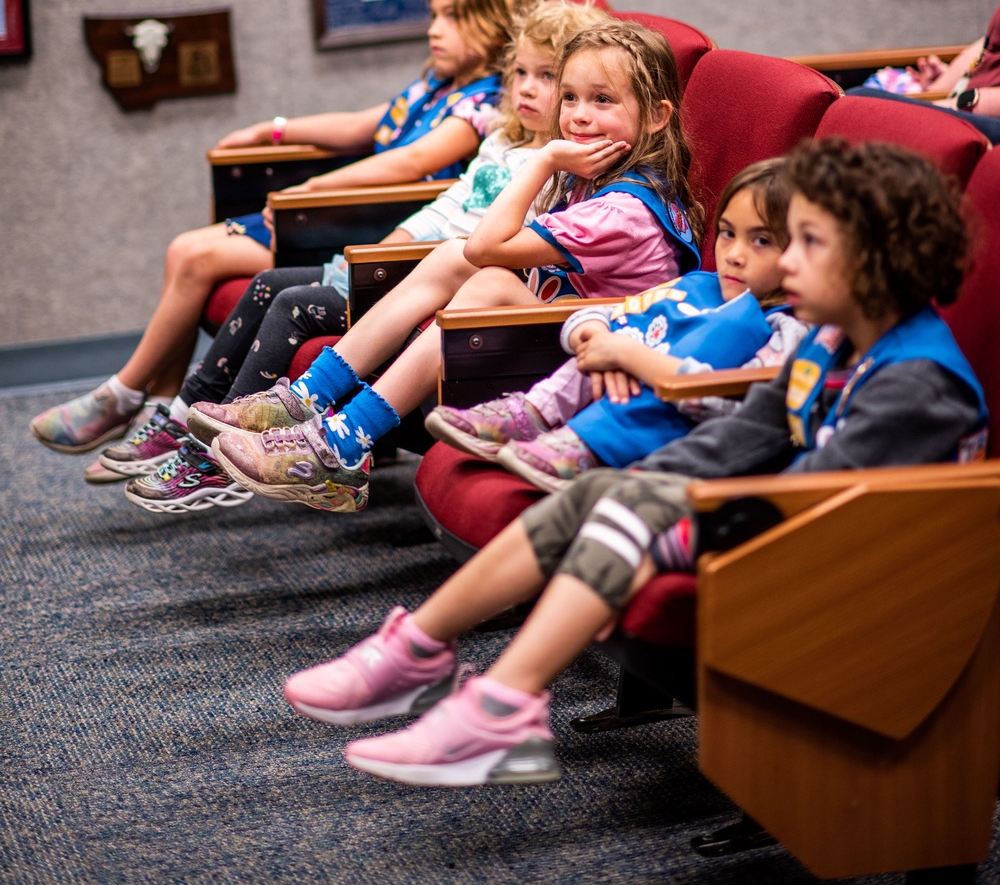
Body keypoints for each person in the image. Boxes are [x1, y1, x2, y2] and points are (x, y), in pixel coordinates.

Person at [278, 137, 986, 787]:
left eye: (808, 243)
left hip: (873, 576)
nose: (786, 262)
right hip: (794, 526)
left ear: (877, 256)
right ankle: (419, 653)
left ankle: (499, 710)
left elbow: (831, 501)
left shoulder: (916, 382)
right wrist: (657, 482)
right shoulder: (832, 338)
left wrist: (680, 515)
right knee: (616, 490)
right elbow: (745, 439)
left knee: (631, 508)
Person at [28, 0, 544, 459]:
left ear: (492, 23)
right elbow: (365, 125)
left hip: (367, 222)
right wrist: (272, 129)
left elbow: (408, 162)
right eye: (433, 13)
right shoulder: (435, 83)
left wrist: (308, 193)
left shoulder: (483, 103)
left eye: (452, 16)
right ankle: (159, 402)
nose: (434, 29)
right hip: (351, 214)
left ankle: (125, 395)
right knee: (184, 252)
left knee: (192, 253)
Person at [116, 0, 609, 513]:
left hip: (428, 276)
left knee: (293, 303)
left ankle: (210, 459)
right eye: (520, 73)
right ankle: (188, 418)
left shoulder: (556, 164)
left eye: (548, 77)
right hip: (404, 259)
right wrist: (390, 243)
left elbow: (495, 240)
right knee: (271, 284)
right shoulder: (501, 135)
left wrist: (389, 255)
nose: (527, 87)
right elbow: (443, 204)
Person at [205, 21, 705, 513]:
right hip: (564, 324)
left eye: (603, 100)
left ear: (658, 117)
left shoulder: (619, 209)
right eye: (570, 97)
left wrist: (543, 160)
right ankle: (310, 398)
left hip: (595, 357)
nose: (578, 115)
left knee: (484, 277)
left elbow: (487, 248)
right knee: (451, 255)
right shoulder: (599, 176)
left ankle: (344, 442)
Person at [425, 158, 808, 491]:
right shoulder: (699, 283)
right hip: (591, 401)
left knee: (635, 340)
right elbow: (605, 313)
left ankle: (582, 447)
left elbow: (740, 405)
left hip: (662, 433)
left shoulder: (786, 329)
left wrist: (627, 353)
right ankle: (532, 415)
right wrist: (594, 337)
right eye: (727, 234)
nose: (735, 255)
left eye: (761, 241)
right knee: (621, 328)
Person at [851, 0, 1000, 144]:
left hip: (987, 122)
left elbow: (960, 101)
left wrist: (945, 104)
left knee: (862, 102)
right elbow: (935, 92)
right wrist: (947, 83)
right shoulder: (990, 36)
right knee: (860, 102)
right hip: (966, 109)